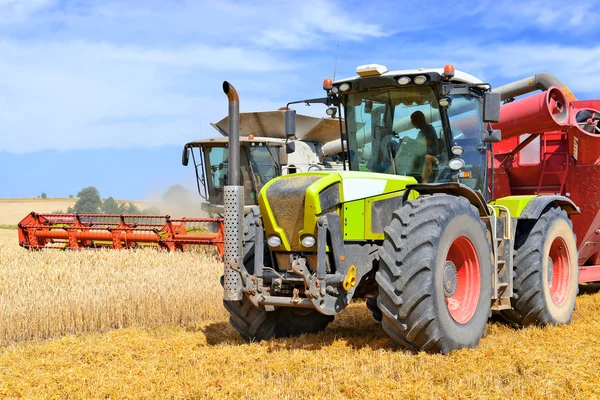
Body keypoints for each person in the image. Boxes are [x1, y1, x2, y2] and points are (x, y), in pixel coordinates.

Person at [410, 111, 439, 182]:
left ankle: (423, 181)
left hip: (430, 153)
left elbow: (428, 142)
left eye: (413, 121)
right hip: (422, 152)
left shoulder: (428, 128)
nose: (412, 123)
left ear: (418, 120)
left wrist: (411, 141)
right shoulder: (421, 132)